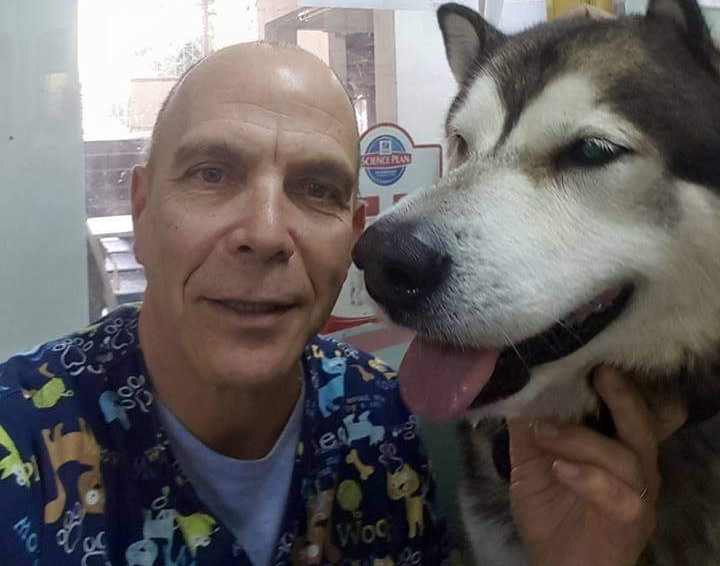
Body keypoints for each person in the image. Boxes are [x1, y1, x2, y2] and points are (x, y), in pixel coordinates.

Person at [0, 42, 684, 566]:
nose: (267, 233)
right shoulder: (22, 439)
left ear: (354, 233)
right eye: (213, 174)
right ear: (142, 211)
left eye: (317, 190)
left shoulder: (381, 419)